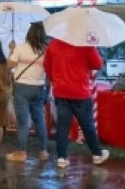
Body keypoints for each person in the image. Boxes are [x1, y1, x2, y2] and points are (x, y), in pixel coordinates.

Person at [44, 35, 110, 168]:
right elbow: (98, 64)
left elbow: (47, 67)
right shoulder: (85, 45)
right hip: (80, 92)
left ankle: (61, 158)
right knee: (87, 125)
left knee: (62, 126)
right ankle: (97, 154)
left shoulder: (53, 44)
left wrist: (56, 80)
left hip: (60, 91)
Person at [6, 23, 49, 162]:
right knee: (39, 120)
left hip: (22, 87)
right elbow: (49, 71)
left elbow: (10, 65)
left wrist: (12, 50)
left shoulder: (21, 47)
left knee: (23, 122)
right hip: (39, 87)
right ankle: (43, 152)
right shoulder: (46, 50)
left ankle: (21, 152)